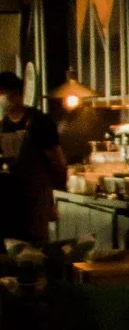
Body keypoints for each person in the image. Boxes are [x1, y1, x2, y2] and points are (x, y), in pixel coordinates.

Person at [0, 72, 67, 245]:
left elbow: (58, 162)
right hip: (9, 203)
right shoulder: (3, 124)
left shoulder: (40, 122)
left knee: (34, 251)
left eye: (1, 93)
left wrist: (54, 200)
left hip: (35, 201)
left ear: (16, 94)